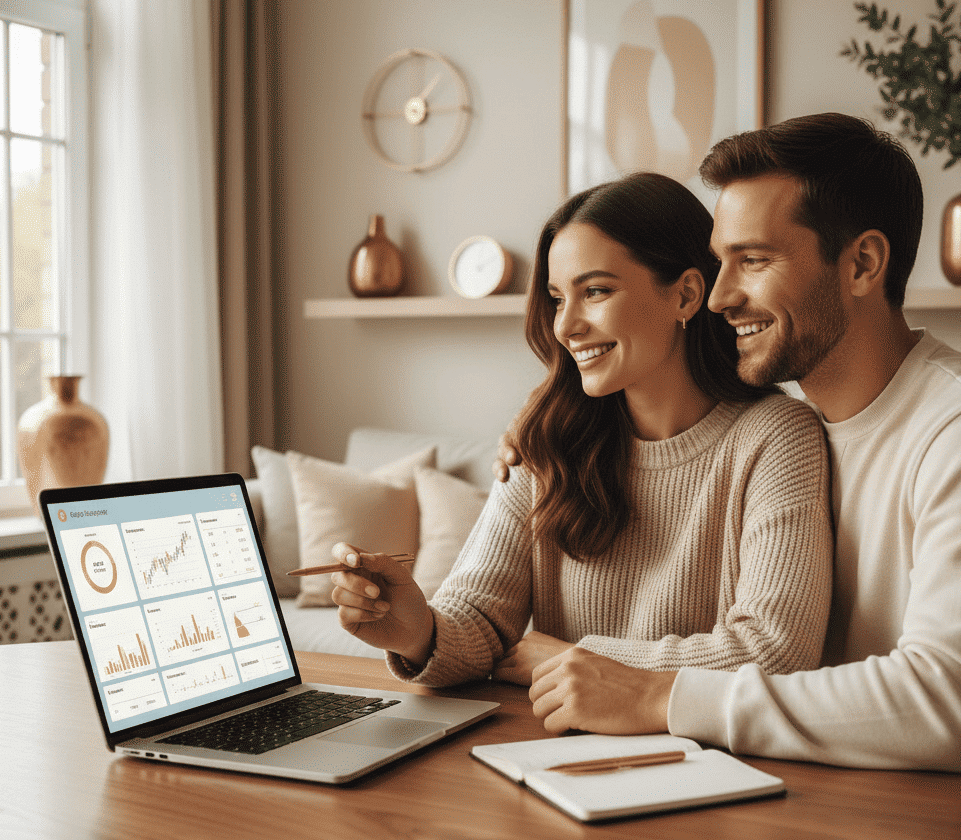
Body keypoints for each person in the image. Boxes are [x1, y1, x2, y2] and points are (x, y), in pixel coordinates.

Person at [506, 113, 961, 772]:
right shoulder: (794, 426)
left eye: (753, 260)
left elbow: (957, 708)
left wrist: (659, 693)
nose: (719, 297)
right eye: (720, 262)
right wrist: (548, 425)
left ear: (862, 264)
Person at [330, 172, 834, 691]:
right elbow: (480, 618)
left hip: (695, 744)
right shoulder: (547, 436)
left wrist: (580, 659)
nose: (565, 326)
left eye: (595, 291)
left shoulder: (777, 438)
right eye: (556, 298)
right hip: (553, 736)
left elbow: (776, 651)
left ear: (685, 295)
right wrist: (417, 631)